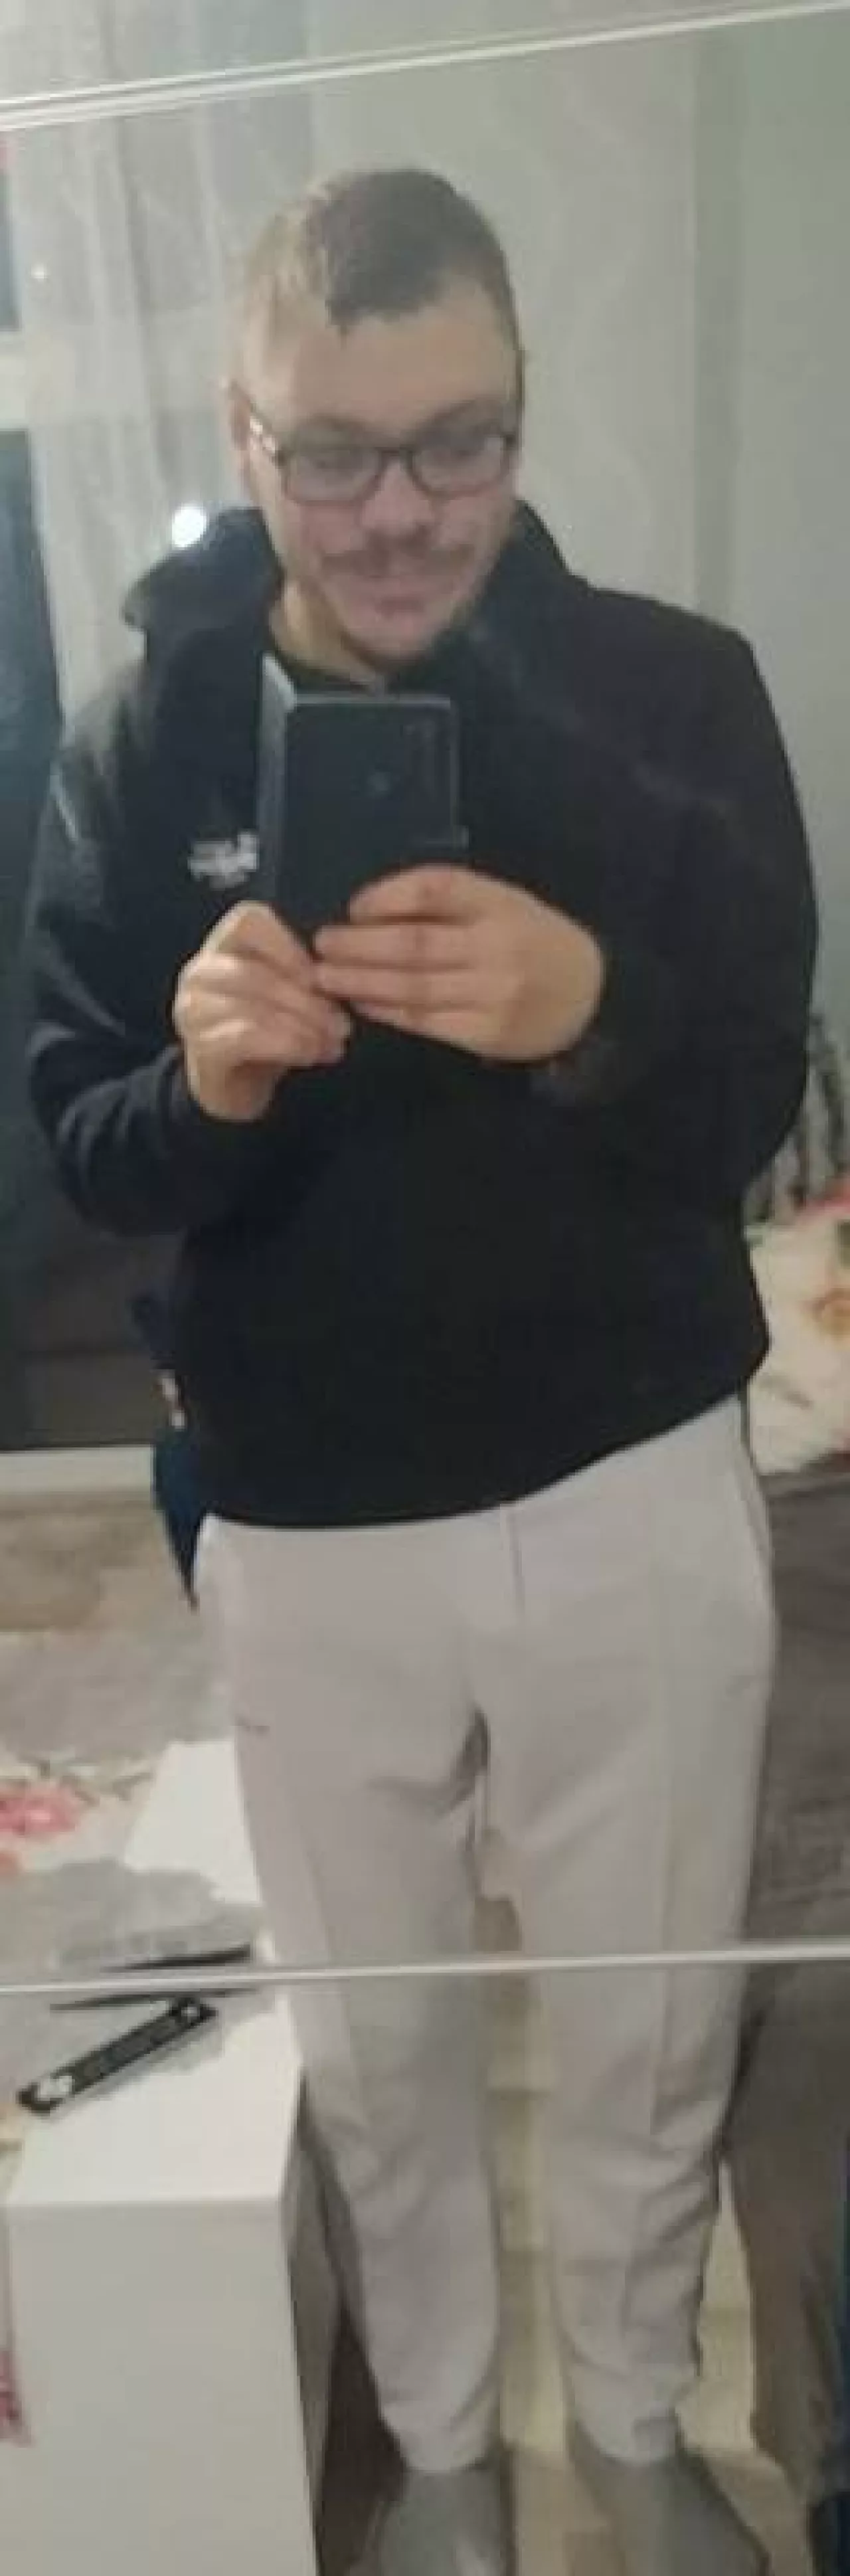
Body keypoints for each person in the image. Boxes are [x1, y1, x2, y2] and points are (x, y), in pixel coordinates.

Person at [24, 168, 816, 2576]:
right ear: (243, 435)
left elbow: (755, 1097)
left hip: (627, 1466)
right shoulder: (145, 740)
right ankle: (450, 2446)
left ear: (521, 415)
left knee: (652, 2003)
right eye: (336, 453)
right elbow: (83, 1144)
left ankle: (639, 2426)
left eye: (456, 442)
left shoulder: (677, 694)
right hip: (305, 1498)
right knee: (377, 2034)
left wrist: (592, 1011)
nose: (398, 512)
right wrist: (208, 1083)